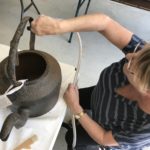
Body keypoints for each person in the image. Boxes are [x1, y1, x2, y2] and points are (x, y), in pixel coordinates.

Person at [31, 13, 150, 149]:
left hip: (105, 130)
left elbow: (104, 138)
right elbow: (105, 23)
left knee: (72, 137)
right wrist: (59, 26)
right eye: (136, 52)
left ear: (146, 90)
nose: (128, 55)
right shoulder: (145, 57)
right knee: (63, 100)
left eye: (132, 65)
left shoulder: (144, 129)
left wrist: (77, 109)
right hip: (99, 94)